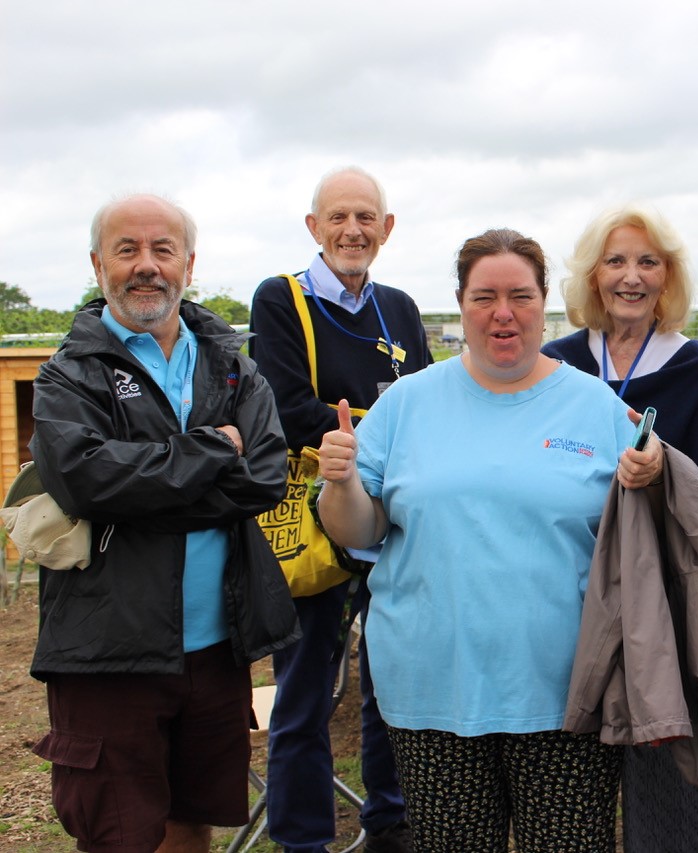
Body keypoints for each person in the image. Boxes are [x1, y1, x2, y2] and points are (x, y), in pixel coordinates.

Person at [316, 228, 665, 852]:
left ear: (544, 303)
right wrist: (339, 483)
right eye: (484, 297)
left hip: (566, 696)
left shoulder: (594, 405)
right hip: (432, 693)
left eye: (520, 296)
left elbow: (646, 529)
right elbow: (358, 531)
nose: (503, 313)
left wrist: (656, 468)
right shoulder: (407, 402)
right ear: (460, 302)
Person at [28, 193, 299, 853]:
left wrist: (147, 484)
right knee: (119, 833)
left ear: (188, 262)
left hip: (214, 647)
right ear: (99, 265)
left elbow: (264, 476)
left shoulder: (231, 364)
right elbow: (88, 479)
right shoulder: (69, 373)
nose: (145, 266)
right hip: (107, 651)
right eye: (127, 250)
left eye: (162, 249)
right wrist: (213, 450)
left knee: (191, 821)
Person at [249, 166, 428, 853]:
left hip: (392, 524)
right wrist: (389, 428)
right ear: (313, 227)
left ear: (386, 229)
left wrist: (364, 429)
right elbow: (287, 409)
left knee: (392, 687)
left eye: (366, 218)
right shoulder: (281, 300)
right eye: (337, 217)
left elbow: (431, 398)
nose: (352, 230)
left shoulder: (401, 309)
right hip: (314, 524)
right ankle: (303, 840)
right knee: (304, 695)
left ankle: (389, 820)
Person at [543, 205, 698, 853]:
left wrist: (663, 475)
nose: (631, 276)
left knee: (667, 777)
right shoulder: (557, 363)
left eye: (647, 261)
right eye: (616, 261)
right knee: (569, 788)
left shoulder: (694, 367)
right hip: (567, 593)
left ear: (668, 277)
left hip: (662, 604)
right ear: (592, 277)